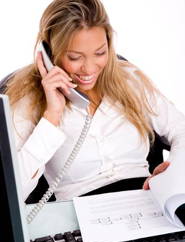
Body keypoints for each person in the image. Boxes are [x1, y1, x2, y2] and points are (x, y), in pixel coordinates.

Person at [4, 0, 185, 203]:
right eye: (75, 57)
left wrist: (174, 169)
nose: (89, 69)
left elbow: (181, 129)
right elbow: (12, 192)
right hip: (81, 211)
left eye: (100, 53)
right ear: (50, 53)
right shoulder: (29, 101)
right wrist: (52, 115)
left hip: (146, 201)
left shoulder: (130, 79)